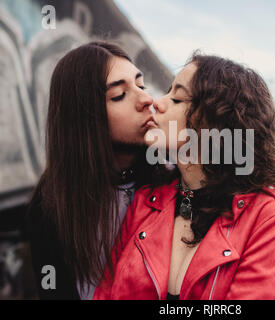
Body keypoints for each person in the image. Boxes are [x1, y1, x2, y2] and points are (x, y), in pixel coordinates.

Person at [94, 53, 275, 300]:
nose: (157, 103)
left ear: (219, 121)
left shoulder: (269, 215)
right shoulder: (145, 201)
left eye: (178, 98)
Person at [25, 41, 172, 299]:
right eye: (119, 95)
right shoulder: (50, 205)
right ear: (84, 117)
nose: (146, 99)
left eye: (140, 85)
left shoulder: (173, 181)